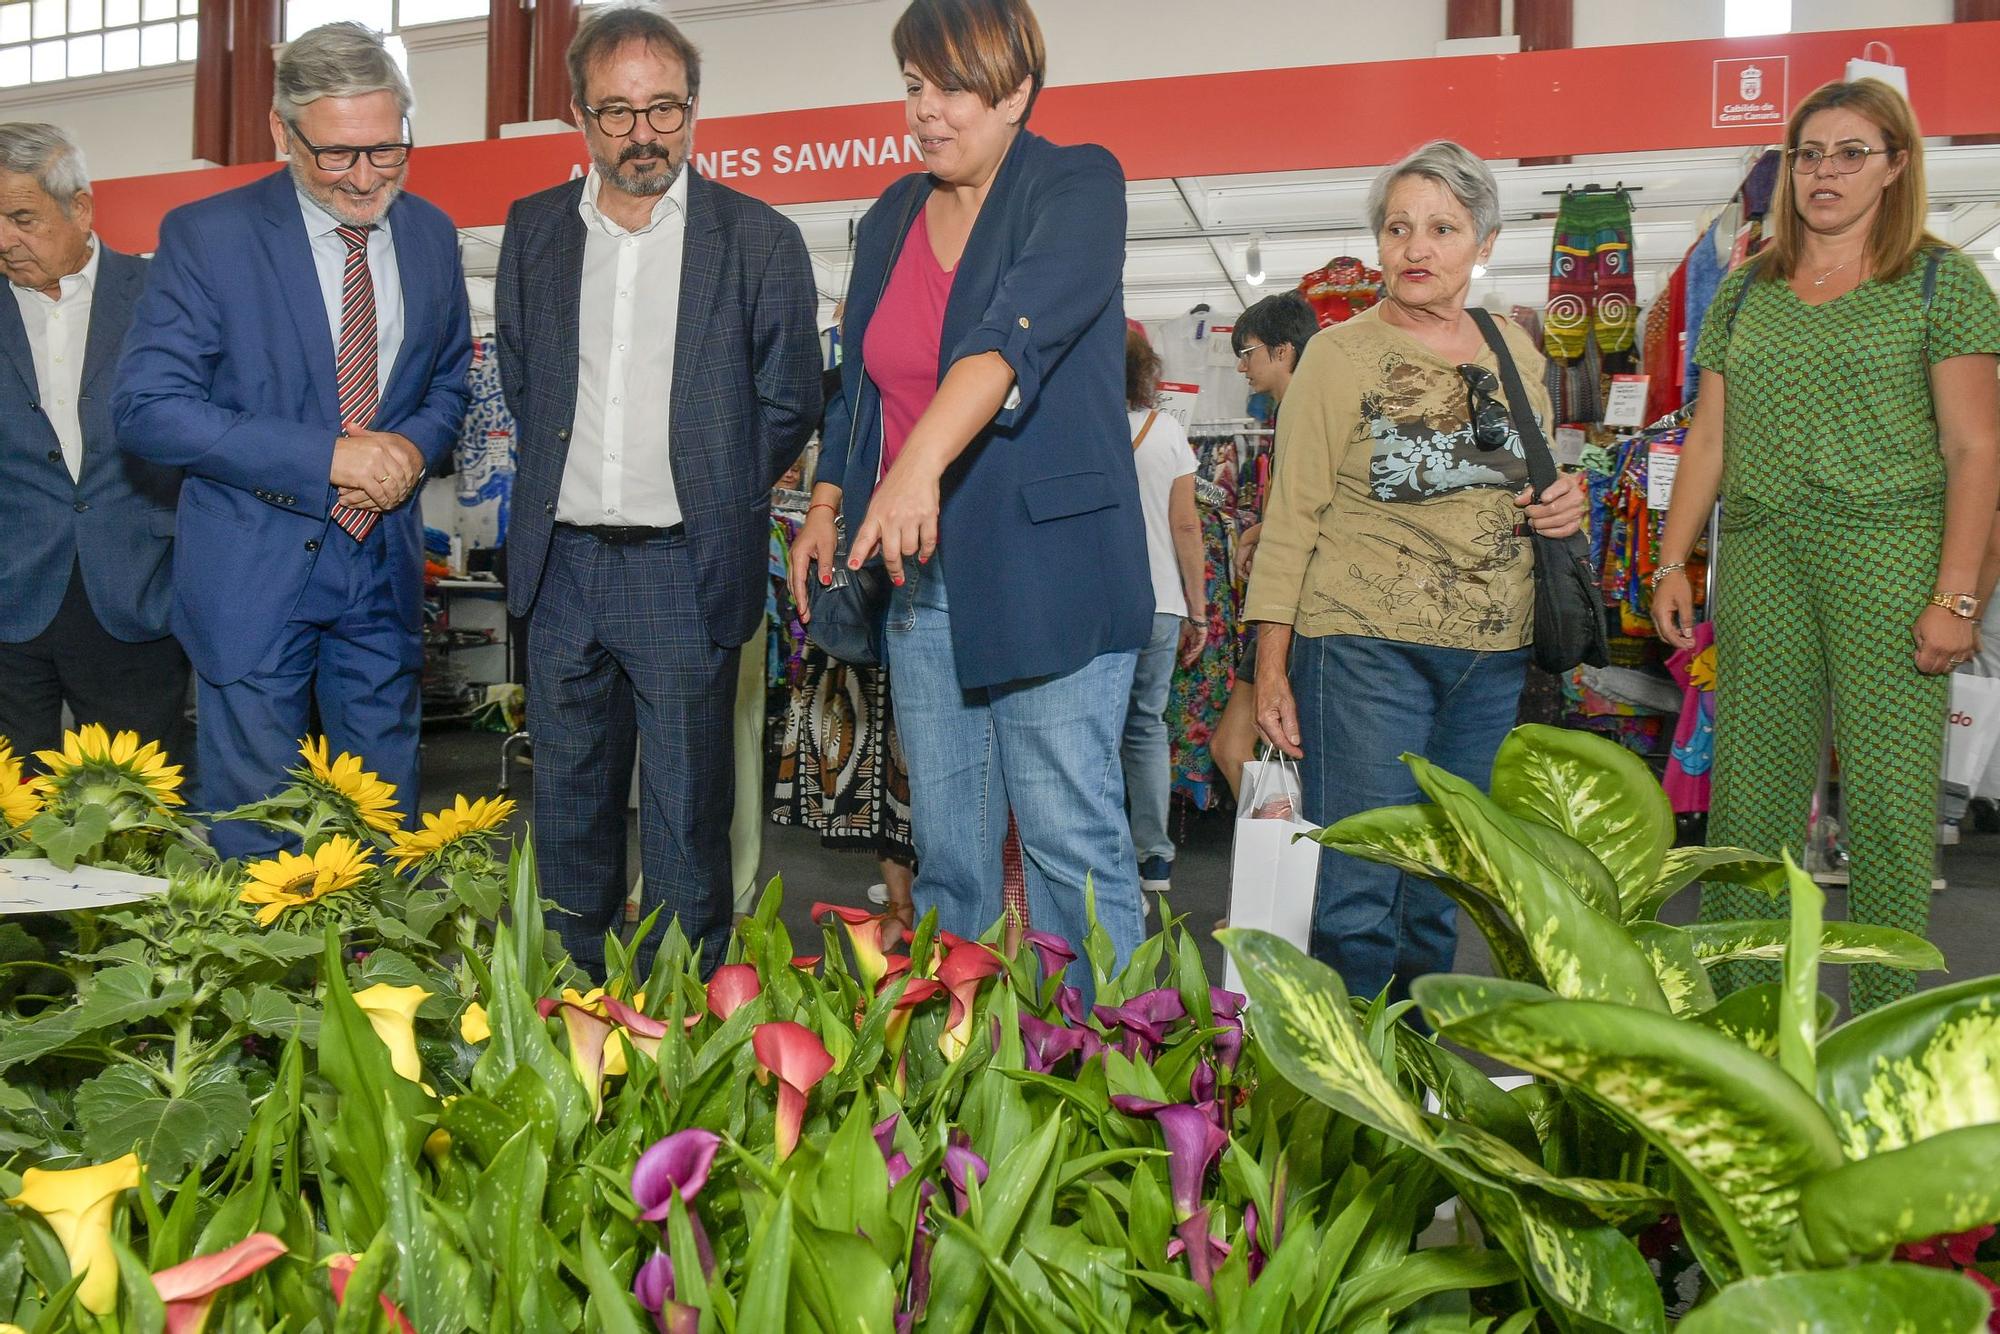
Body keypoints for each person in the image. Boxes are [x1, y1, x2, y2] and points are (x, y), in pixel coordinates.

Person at [790, 0, 1151, 968]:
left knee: (1068, 845)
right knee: (947, 854)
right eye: (914, 87)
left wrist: (913, 472)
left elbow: (1009, 334)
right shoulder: (891, 218)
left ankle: (1118, 1067)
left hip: (1051, 568)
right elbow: (862, 384)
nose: (928, 111)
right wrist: (830, 499)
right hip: (922, 580)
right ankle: (969, 1068)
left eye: (953, 87)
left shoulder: (1075, 183)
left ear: (1017, 89)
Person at [1652, 78, 2000, 1012]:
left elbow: (1977, 448)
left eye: (1852, 152)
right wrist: (1673, 557)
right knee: (1748, 802)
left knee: (1889, 810)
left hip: (1891, 556)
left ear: (1895, 167)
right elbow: (1710, 438)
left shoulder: (1941, 282)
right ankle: (1744, 1012)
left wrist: (1958, 596)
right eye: (1810, 153)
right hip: (1763, 557)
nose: (1826, 172)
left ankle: (1887, 1023)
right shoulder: (1746, 292)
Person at [498, 2, 822, 977]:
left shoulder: (758, 239)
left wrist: (710, 486)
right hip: (559, 571)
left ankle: (679, 1048)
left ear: (694, 108)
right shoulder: (533, 232)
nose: (644, 134)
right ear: (577, 116)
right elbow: (524, 377)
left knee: (687, 822)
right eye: (616, 112)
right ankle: (574, 1027)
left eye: (664, 109)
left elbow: (790, 396)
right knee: (568, 811)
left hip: (686, 567)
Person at [115, 23, 471, 857]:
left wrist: (412, 450)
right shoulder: (209, 236)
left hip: (380, 569)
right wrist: (326, 456)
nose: (366, 178)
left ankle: (376, 986)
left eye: (388, 151)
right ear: (282, 133)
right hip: (254, 571)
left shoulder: (429, 233)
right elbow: (147, 406)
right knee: (258, 838)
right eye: (338, 155)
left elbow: (450, 379)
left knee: (383, 829)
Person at [1247, 140, 1586, 1002]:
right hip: (1361, 644)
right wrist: (1271, 665)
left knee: (1439, 888)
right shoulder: (1339, 355)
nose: (1416, 247)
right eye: (1399, 228)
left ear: (1485, 241)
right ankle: (1349, 1101)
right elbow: (1293, 515)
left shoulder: (1516, 350)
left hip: (1490, 654)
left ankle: (1418, 1085)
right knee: (1358, 889)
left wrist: (1563, 505)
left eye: (1442, 227)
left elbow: (1529, 482)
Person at [0, 123, 187, 764]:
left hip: (134, 591)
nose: (5, 240)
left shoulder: (164, 298)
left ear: (79, 207)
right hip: (10, 598)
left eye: (22, 217)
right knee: (12, 819)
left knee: (138, 819)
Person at [1209, 291, 1319, 800]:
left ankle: (1285, 859)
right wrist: (1258, 533)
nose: (1240, 367)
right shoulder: (1294, 412)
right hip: (1287, 609)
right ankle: (1281, 859)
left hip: (1294, 613)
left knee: (1240, 747)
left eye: (1247, 351)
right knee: (1238, 748)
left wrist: (1264, 534)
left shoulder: (1306, 411)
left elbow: (1307, 515)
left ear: (1284, 351)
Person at [1121, 328, 1205, 898]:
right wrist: (1198, 612)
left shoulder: (1076, 430)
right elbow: (1185, 527)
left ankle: (1095, 851)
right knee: (1146, 728)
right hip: (1161, 603)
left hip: (1096, 602)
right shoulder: (1167, 431)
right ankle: (1154, 858)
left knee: (1091, 732)